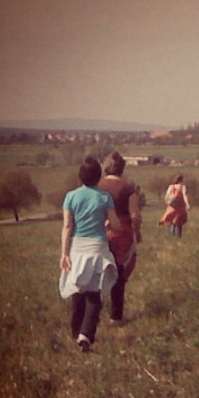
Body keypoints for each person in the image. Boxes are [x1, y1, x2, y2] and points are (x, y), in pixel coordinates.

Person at [59, 156, 121, 352]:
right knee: (95, 293)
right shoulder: (104, 197)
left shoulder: (71, 196)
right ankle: (86, 335)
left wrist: (64, 253)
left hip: (77, 248)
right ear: (98, 176)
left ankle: (76, 333)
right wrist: (107, 223)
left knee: (78, 289)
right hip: (98, 248)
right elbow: (116, 224)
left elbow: (68, 227)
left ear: (81, 175)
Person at [98, 151, 143, 326]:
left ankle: (93, 313)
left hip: (99, 232)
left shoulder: (97, 186)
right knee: (119, 273)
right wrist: (137, 232)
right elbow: (135, 215)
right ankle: (116, 316)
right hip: (121, 233)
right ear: (122, 168)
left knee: (98, 272)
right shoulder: (127, 188)